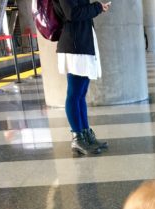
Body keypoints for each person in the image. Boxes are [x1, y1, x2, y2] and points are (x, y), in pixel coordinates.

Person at [53, 0, 111, 155]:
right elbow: (72, 13)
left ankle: (86, 135)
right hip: (74, 46)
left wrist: (97, 7)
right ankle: (78, 138)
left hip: (80, 43)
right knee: (74, 94)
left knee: (80, 95)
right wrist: (97, 7)